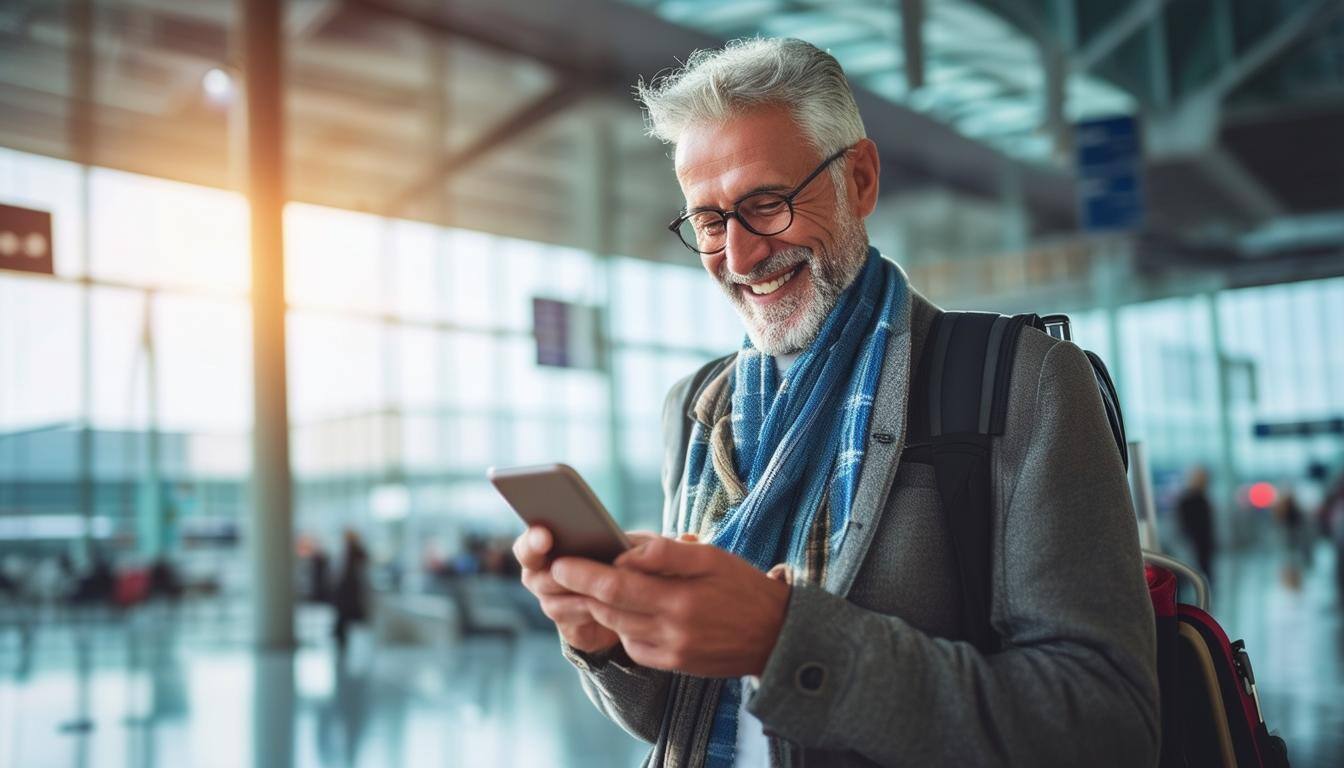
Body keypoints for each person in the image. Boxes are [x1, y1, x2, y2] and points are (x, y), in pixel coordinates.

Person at [513, 38, 1157, 767]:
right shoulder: (695, 409)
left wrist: (785, 640)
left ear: (860, 179)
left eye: (767, 203)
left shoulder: (1023, 384)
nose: (741, 255)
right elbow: (681, 713)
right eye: (711, 221)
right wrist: (603, 637)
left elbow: (1108, 726)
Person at [1176, 466, 1217, 583]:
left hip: (1203, 541)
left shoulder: (1203, 499)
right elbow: (1183, 522)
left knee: (1205, 568)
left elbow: (1208, 523)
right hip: (1191, 540)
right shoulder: (1187, 500)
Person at [333, 529, 370, 652]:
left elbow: (361, 573)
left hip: (351, 592)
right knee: (345, 619)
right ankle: (343, 642)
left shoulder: (357, 553)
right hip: (347, 591)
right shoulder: (348, 552)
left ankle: (350, 643)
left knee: (349, 619)